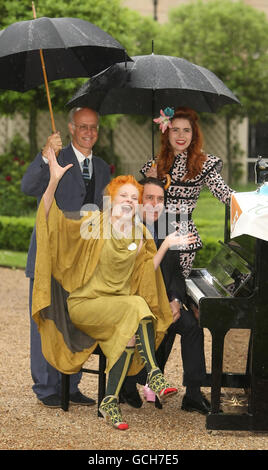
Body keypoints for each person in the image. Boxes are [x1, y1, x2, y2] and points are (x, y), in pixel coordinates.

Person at [31, 147, 196, 430]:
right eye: (124, 196)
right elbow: (52, 221)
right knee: (135, 306)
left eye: (135, 197)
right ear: (111, 200)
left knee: (130, 334)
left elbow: (146, 272)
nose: (130, 201)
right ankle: (154, 373)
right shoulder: (93, 224)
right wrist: (54, 180)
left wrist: (167, 244)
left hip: (117, 308)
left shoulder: (140, 233)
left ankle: (109, 402)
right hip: (87, 305)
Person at [21, 107, 111, 408]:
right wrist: (46, 157)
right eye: (83, 126)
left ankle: (70, 385)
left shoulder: (102, 166)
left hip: (84, 260)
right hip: (51, 256)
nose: (89, 132)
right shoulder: (56, 157)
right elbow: (28, 187)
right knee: (47, 318)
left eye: (94, 127)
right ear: (71, 128)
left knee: (77, 320)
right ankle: (47, 388)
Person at [120, 177, 210, 415]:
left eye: (160, 199)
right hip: (133, 304)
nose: (155, 204)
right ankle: (127, 382)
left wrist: (176, 300)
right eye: (149, 198)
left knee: (191, 326)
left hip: (162, 303)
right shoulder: (124, 228)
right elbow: (133, 276)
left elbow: (177, 273)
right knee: (150, 325)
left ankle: (192, 394)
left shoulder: (167, 226)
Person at [141, 106, 234, 278]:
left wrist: (253, 203)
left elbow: (224, 193)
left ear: (194, 134)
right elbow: (137, 200)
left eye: (186, 130)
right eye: (175, 130)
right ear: (167, 133)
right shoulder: (156, 163)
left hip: (182, 236)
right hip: (152, 233)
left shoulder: (203, 163)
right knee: (149, 285)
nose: (181, 136)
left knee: (174, 293)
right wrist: (146, 181)